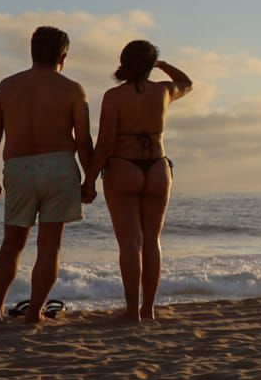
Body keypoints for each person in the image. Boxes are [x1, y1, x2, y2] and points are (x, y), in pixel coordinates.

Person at [0, 26, 94, 326]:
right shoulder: (72, 89)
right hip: (59, 166)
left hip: (18, 166)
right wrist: (90, 179)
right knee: (50, 245)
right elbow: (83, 140)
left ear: (31, 52)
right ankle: (34, 313)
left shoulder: (6, 87)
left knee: (12, 244)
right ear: (64, 56)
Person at [82, 41, 193, 322]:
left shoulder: (114, 97)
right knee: (152, 240)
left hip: (123, 166)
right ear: (149, 65)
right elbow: (186, 82)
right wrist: (162, 65)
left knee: (130, 243)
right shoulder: (164, 91)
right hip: (157, 166)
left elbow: (106, 142)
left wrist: (89, 179)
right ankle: (149, 309)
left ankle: (132, 311)